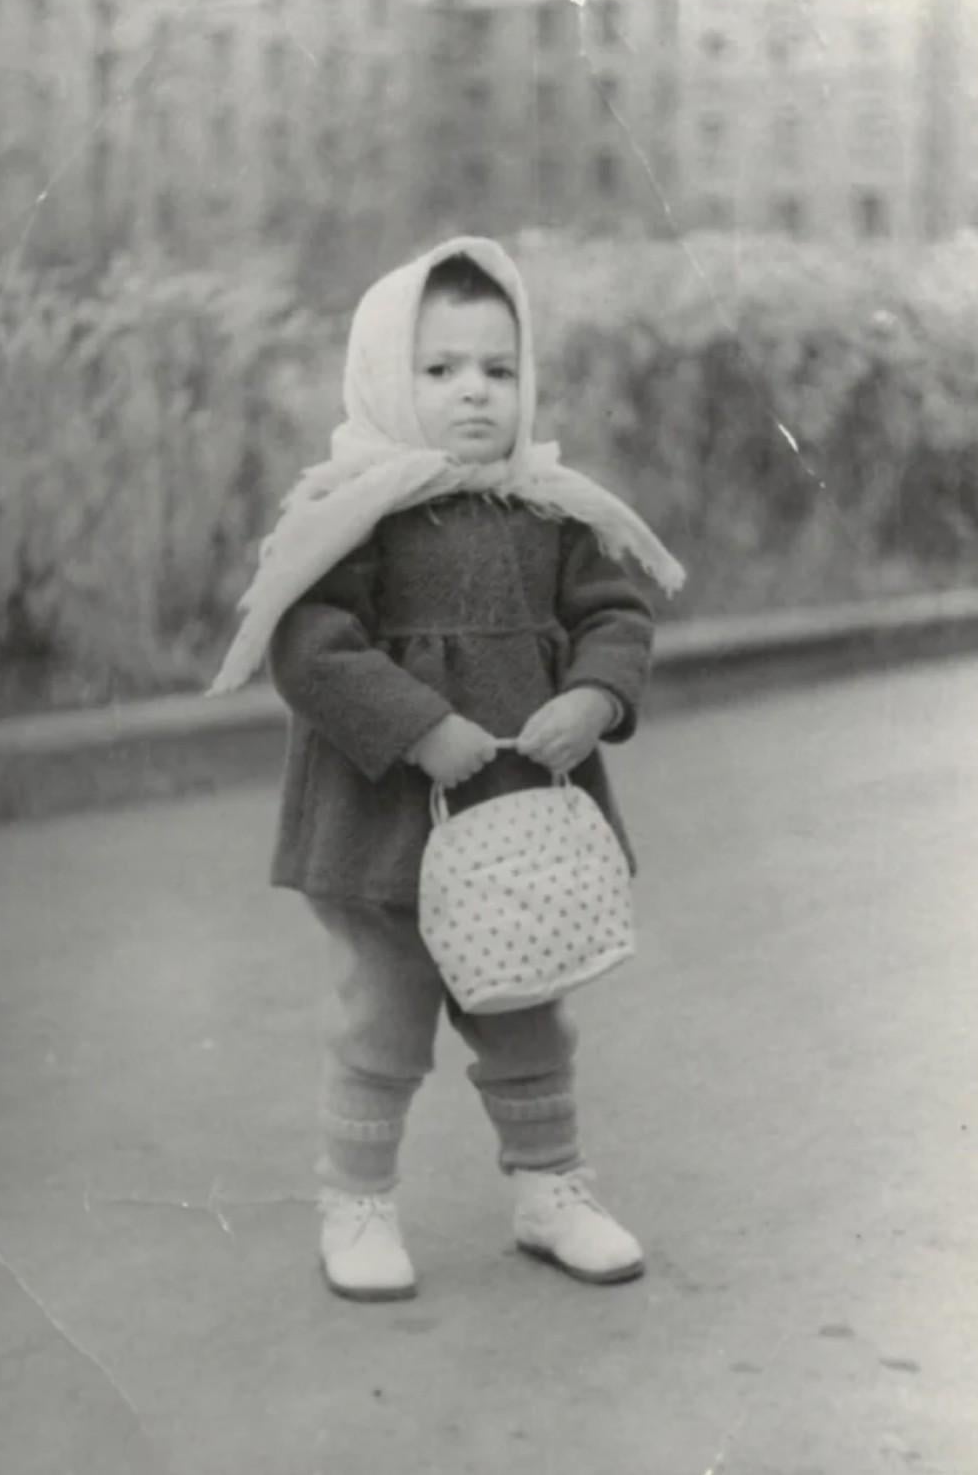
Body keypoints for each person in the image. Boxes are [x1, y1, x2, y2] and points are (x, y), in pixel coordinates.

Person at [209, 236, 684, 1302]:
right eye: (440, 369)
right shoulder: (352, 512)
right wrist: (421, 725)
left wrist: (592, 697)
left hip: (517, 821)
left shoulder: (549, 510)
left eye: (498, 370)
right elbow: (313, 651)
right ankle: (357, 1203)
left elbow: (615, 615)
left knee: (527, 1007)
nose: (475, 391)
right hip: (381, 826)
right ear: (385, 375)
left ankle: (550, 1187)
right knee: (385, 1013)